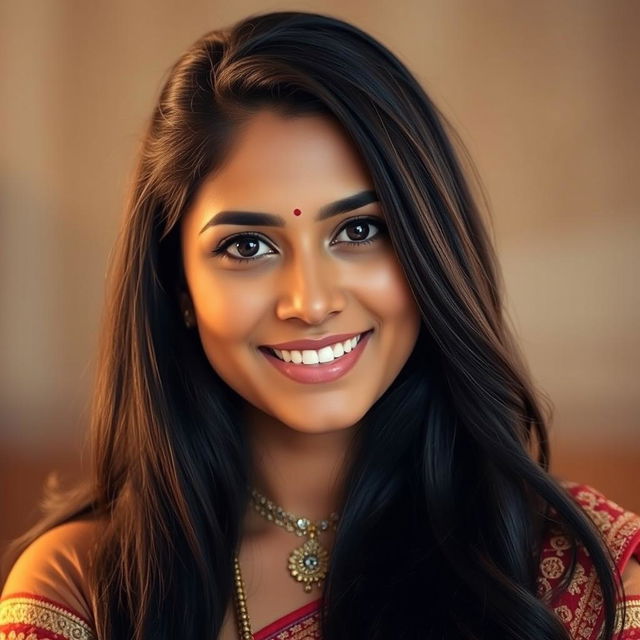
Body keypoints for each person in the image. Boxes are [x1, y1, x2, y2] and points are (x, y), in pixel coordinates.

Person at [0, 10, 638, 640]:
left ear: (432, 250)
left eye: (360, 231)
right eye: (248, 246)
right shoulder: (84, 591)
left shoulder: (589, 577)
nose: (309, 301)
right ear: (179, 286)